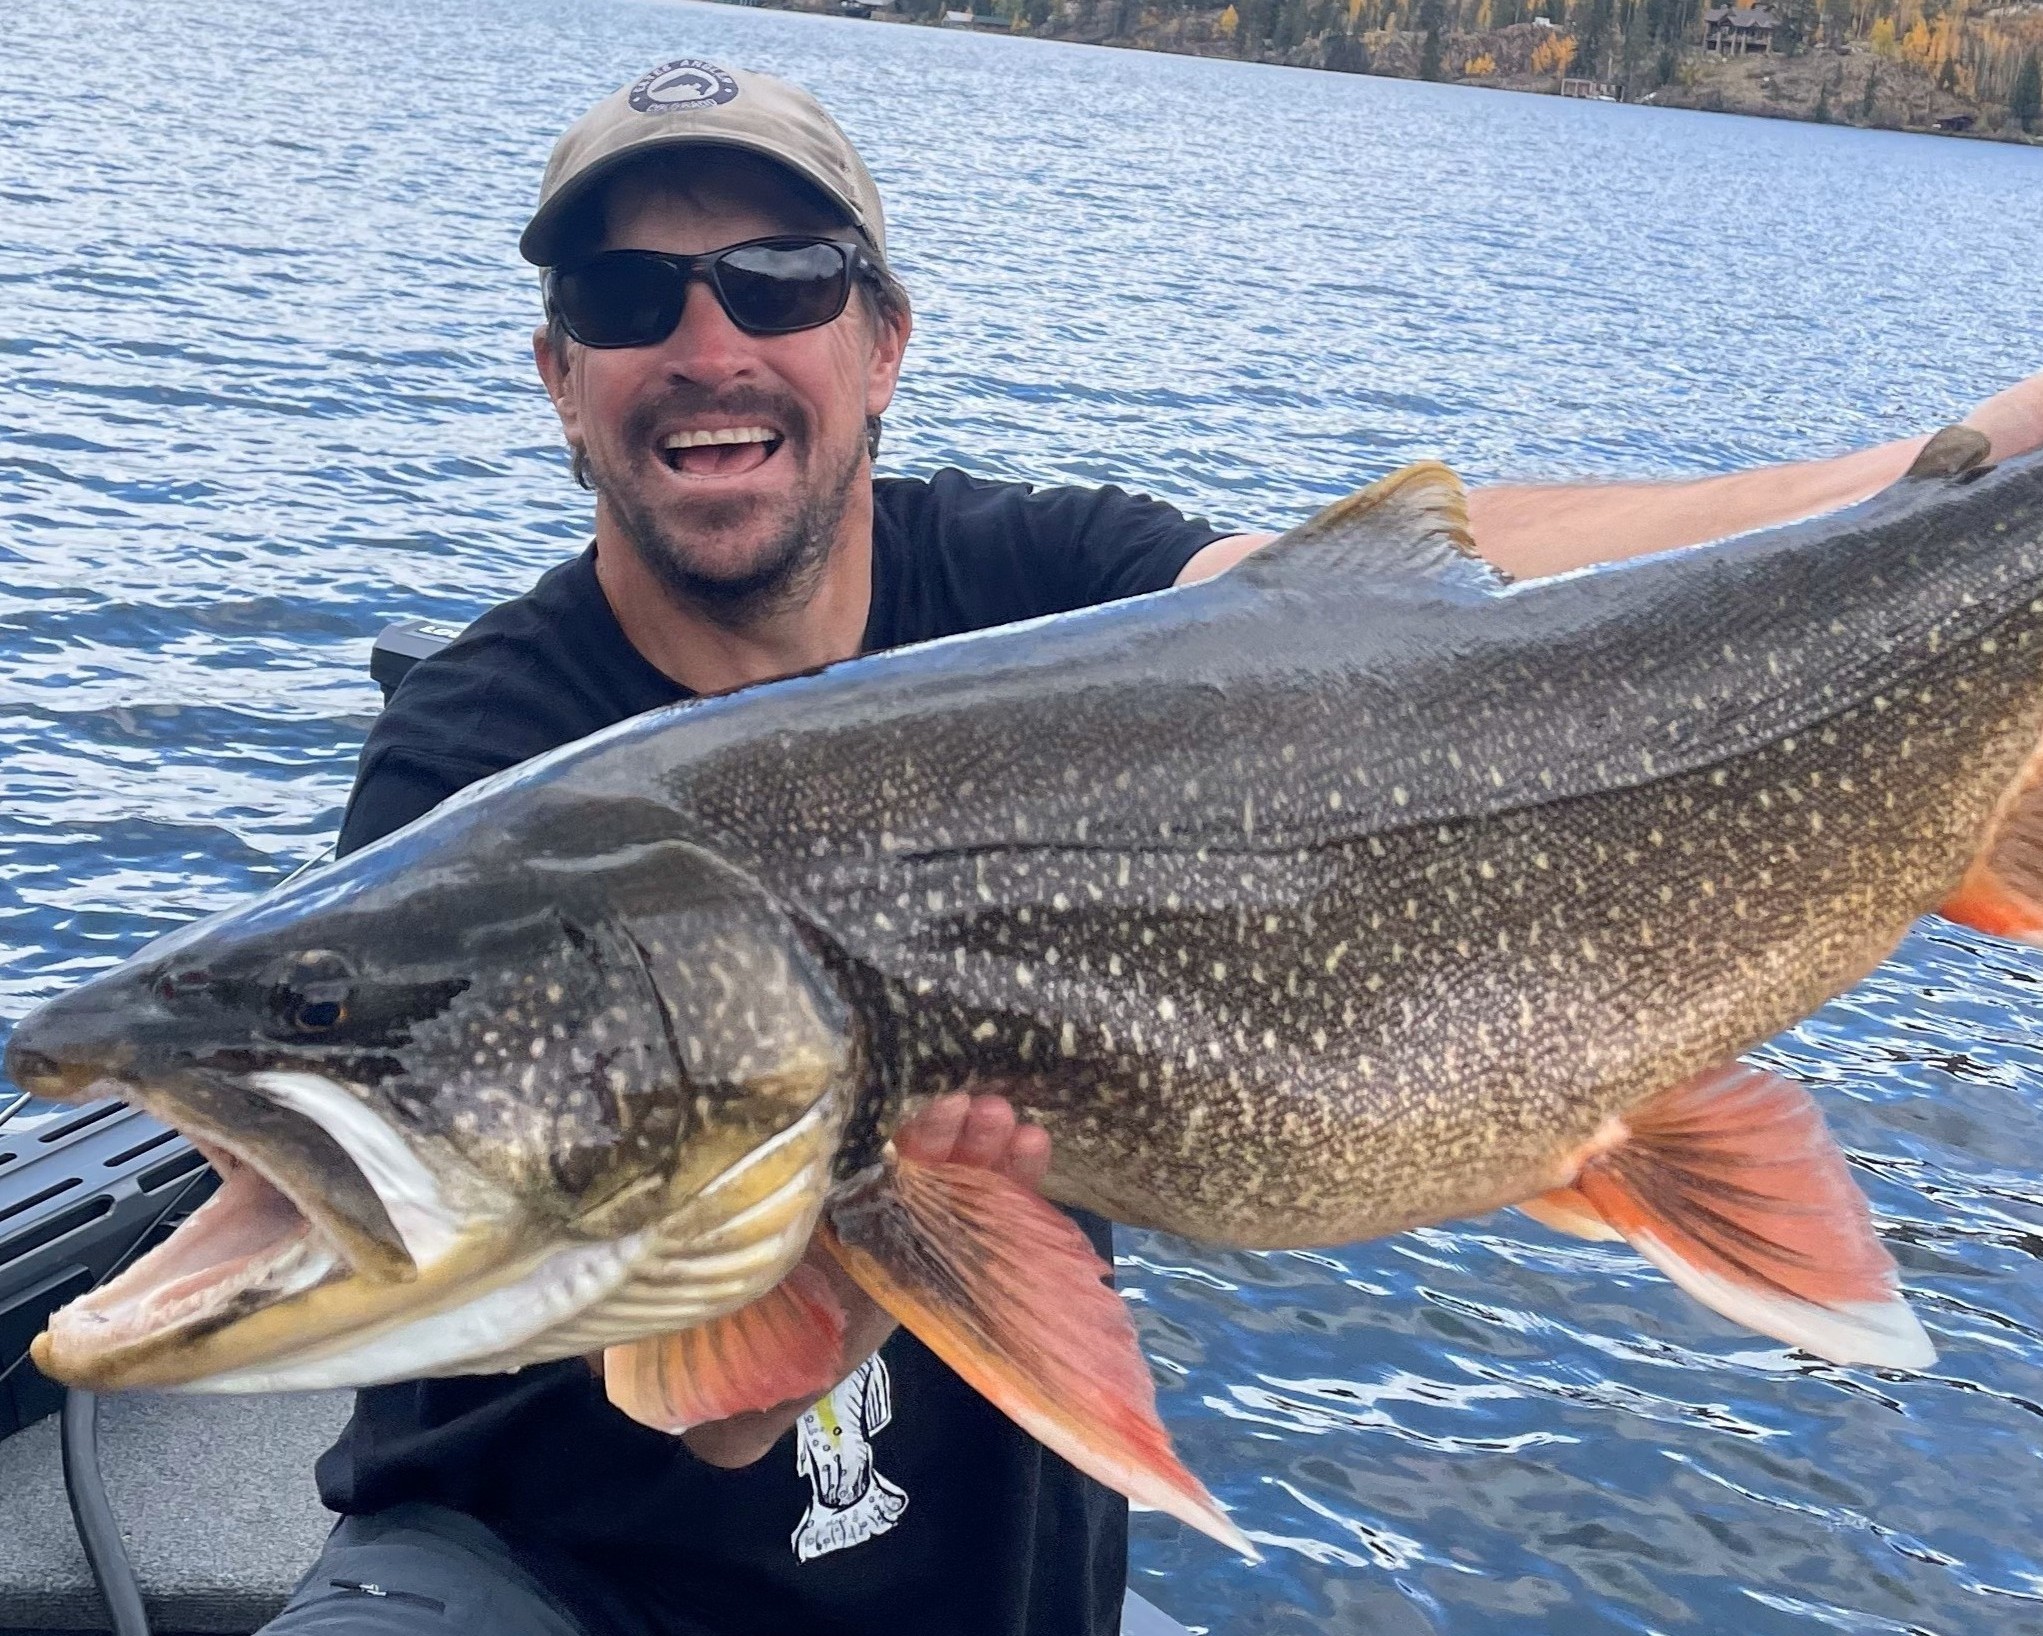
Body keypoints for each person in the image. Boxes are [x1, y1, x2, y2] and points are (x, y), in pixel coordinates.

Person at [265, 56, 2043, 1636]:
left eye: (782, 281)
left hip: (994, 1584)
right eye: (630, 292)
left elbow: (1432, 602)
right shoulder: (484, 763)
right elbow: (662, 1392)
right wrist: (864, 1229)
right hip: (560, 1574)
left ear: (881, 341)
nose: (711, 343)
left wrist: (1960, 472)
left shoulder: (1039, 586)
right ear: (562, 373)